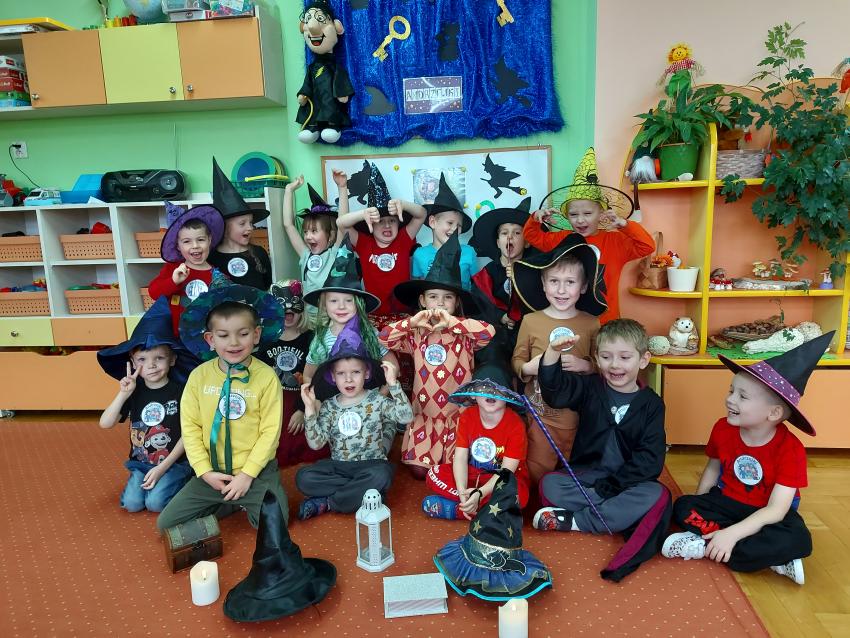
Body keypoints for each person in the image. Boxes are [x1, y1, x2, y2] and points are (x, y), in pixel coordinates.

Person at [661, 332, 832, 586]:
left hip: (766, 513)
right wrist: (701, 501)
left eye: (742, 396)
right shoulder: (723, 428)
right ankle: (754, 553)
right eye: (731, 391)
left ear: (773, 413)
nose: (730, 399)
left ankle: (714, 544)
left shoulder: (791, 449)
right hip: (726, 502)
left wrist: (731, 534)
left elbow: (776, 510)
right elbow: (712, 469)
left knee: (799, 539)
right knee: (682, 506)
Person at [155, 284, 288, 531]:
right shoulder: (198, 377)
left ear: (256, 335)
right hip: (213, 472)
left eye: (243, 334)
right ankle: (229, 501)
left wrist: (247, 475)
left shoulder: (267, 377)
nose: (234, 343)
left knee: (275, 526)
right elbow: (191, 428)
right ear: (210, 339)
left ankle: (237, 498)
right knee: (166, 525)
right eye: (223, 335)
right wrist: (204, 472)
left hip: (255, 472)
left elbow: (270, 432)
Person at [531, 319, 666, 537]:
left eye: (625, 357)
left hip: (627, 481)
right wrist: (553, 352)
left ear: (643, 360)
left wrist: (613, 486)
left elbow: (650, 460)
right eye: (606, 357)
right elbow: (555, 393)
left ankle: (578, 520)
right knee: (550, 485)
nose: (614, 365)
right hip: (588, 476)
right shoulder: (590, 387)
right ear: (596, 358)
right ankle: (615, 513)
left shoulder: (652, 404)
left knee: (655, 492)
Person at [380, 232, 494, 478]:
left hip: (458, 414)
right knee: (419, 472)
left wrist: (453, 323)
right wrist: (412, 321)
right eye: (433, 297)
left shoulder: (464, 331)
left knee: (455, 470)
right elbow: (384, 337)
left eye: (447, 298)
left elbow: (489, 333)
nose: (440, 304)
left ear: (456, 302)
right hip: (425, 414)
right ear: (422, 300)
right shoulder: (416, 333)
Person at [295, 318, 413, 519]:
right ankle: (364, 493)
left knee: (382, 475)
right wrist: (309, 409)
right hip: (339, 466)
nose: (348, 379)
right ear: (333, 377)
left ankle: (328, 502)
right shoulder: (329, 406)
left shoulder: (377, 400)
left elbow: (406, 416)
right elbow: (316, 444)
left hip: (372, 464)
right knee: (304, 478)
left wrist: (393, 385)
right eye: (341, 373)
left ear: (366, 373)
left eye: (356, 372)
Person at [510, 234, 605, 483]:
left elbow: (604, 363)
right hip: (540, 413)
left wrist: (587, 366)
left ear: (583, 286)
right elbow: (517, 360)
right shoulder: (531, 321)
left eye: (570, 282)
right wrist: (528, 367)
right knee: (537, 468)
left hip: (579, 414)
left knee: (575, 470)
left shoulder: (591, 323)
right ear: (543, 284)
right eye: (554, 281)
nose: (561, 290)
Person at [523, 148, 654, 324]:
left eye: (587, 213)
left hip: (606, 322)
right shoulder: (561, 239)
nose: (580, 220)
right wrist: (535, 218)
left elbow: (647, 246)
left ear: (601, 214)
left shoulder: (615, 241)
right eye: (573, 214)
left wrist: (625, 225)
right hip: (570, 321)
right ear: (567, 216)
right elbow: (531, 236)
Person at [97, 297, 196, 512]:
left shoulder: (182, 392)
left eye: (159, 358)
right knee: (132, 504)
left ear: (172, 360)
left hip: (174, 463)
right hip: (141, 463)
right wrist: (123, 394)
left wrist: (162, 468)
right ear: (133, 363)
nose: (151, 365)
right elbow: (105, 423)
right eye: (142, 360)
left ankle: (186, 482)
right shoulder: (134, 391)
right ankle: (153, 485)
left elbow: (189, 435)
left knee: (155, 504)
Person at [422, 363, 529, 520]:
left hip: (502, 480)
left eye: (498, 388)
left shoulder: (515, 424)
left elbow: (507, 471)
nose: (491, 393)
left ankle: (458, 510)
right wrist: (462, 492)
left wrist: (480, 493)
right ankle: (475, 507)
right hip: (472, 475)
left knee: (519, 495)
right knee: (433, 474)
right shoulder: (467, 417)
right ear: (473, 395)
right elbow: (460, 458)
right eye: (484, 388)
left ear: (507, 396)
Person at [254, 279, 329, 468]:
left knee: (305, 438)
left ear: (301, 309)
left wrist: (302, 409)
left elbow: (319, 378)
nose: (287, 314)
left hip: (304, 397)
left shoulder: (311, 339)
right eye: (282, 310)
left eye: (292, 310)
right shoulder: (266, 339)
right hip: (274, 399)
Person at [302, 237, 397, 384]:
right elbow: (308, 375)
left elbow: (393, 365)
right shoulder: (320, 340)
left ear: (358, 304)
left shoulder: (369, 333)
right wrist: (313, 395)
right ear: (324, 305)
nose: (341, 306)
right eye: (334, 301)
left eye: (348, 300)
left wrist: (383, 392)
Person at [336, 162, 427, 316]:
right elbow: (340, 223)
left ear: (398, 223)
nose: (387, 225)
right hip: (373, 314)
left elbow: (422, 214)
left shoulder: (403, 239)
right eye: (380, 221)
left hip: (403, 314)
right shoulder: (364, 243)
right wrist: (363, 214)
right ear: (370, 223)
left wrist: (403, 205)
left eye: (392, 221)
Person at [469, 197, 531, 366]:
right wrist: (500, 316)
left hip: (526, 332)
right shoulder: (488, 273)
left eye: (517, 233)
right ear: (498, 242)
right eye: (504, 233)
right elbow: (477, 305)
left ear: (527, 242)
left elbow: (538, 304)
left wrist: (521, 279)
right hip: (497, 333)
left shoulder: (533, 272)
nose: (510, 237)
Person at [148, 201, 228, 335]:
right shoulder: (173, 269)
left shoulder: (218, 275)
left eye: (200, 240)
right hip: (175, 337)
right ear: (178, 246)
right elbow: (153, 293)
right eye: (187, 241)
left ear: (209, 240)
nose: (195, 246)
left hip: (205, 338)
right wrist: (173, 281)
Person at [282, 172, 349, 318]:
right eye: (306, 232)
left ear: (330, 235)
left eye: (314, 231)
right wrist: (289, 190)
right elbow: (288, 225)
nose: (308, 236)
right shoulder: (305, 255)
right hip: (309, 319)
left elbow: (343, 224)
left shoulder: (334, 253)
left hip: (331, 319)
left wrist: (342, 187)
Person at [207, 158, 273, 290]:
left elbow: (267, 287)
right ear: (224, 227)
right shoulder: (211, 258)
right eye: (242, 223)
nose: (250, 228)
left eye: (251, 223)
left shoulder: (259, 253)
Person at [411, 173, 479, 289]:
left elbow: (477, 286)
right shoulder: (420, 254)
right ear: (433, 222)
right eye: (450, 223)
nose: (454, 229)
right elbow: (417, 287)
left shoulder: (469, 252)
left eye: (459, 225)